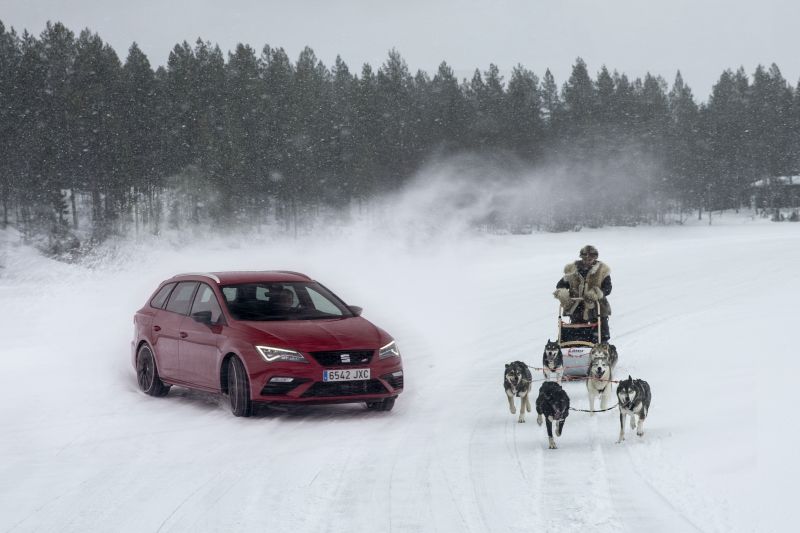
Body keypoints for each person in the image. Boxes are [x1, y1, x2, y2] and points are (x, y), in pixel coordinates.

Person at [553, 245, 612, 342]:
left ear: (595, 257)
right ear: (581, 257)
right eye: (585, 258)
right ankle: (575, 345)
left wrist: (596, 293)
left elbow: (608, 288)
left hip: (596, 305)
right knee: (577, 331)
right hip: (576, 305)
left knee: (601, 331)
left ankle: (601, 345)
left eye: (591, 258)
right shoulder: (572, 270)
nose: (587, 260)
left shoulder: (603, 270)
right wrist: (563, 295)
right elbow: (560, 285)